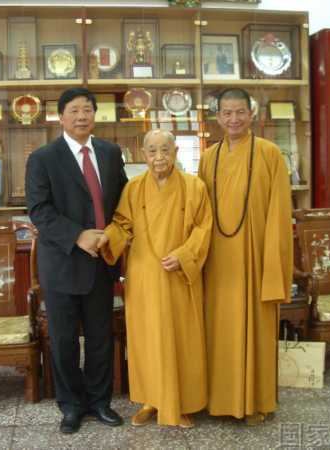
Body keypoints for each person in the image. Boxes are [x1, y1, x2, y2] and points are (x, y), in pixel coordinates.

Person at [25, 87, 127, 434]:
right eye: (74, 110)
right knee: (64, 340)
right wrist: (78, 236)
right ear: (61, 117)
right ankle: (70, 406)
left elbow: (122, 201)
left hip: (101, 260)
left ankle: (100, 402)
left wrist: (112, 234)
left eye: (87, 109)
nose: (82, 116)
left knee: (100, 337)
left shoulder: (110, 153)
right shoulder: (43, 158)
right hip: (62, 263)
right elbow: (39, 210)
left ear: (95, 114)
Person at [97, 130, 212, 428]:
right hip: (144, 274)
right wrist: (106, 238)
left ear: (176, 152)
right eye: (152, 151)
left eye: (165, 150)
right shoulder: (134, 188)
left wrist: (185, 255)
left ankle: (181, 403)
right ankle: (150, 399)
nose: (159, 157)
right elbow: (122, 224)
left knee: (181, 338)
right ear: (144, 154)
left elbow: (203, 228)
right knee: (146, 338)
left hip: (179, 275)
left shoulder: (194, 186)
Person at [198, 88, 293, 424]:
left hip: (255, 256)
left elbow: (279, 212)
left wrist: (273, 261)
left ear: (252, 115)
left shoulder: (269, 153)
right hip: (218, 262)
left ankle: (255, 401)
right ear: (218, 117)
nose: (234, 119)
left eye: (240, 112)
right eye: (227, 113)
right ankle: (219, 400)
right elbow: (199, 212)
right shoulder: (208, 157)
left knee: (256, 328)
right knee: (219, 331)